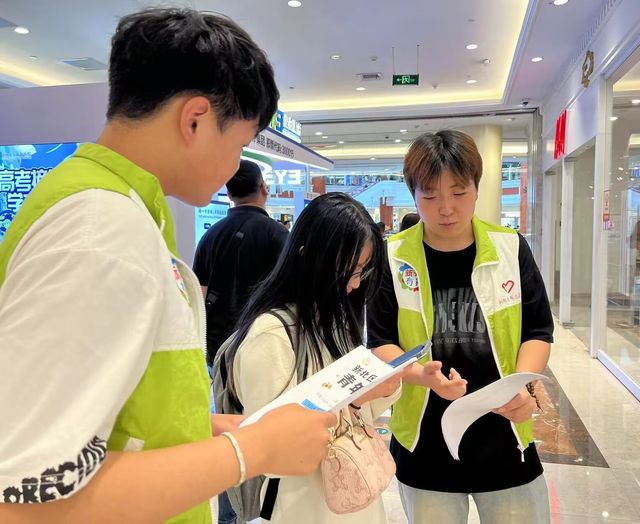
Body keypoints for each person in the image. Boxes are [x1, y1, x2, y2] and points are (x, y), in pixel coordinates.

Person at [0, 8, 335, 523]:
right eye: (239, 144)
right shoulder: (100, 232)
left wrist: (201, 429)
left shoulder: (114, 212)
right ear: (195, 119)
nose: (234, 167)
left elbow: (111, 424)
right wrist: (252, 452)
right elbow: (26, 498)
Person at [368, 130, 553, 524]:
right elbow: (380, 340)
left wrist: (522, 386)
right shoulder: (393, 256)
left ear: (476, 188)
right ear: (413, 195)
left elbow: (538, 330)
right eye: (430, 196)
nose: (446, 208)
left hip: (505, 433)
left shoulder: (510, 248)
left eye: (458, 192)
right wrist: (420, 375)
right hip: (425, 441)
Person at [226, 193, 402, 523]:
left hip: (353, 495)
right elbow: (273, 448)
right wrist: (355, 399)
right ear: (307, 257)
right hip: (303, 504)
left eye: (362, 271)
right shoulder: (270, 335)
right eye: (348, 271)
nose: (354, 284)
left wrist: (382, 387)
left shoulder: (334, 321)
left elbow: (358, 416)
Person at [193, 159, 288, 366]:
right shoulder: (277, 234)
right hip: (263, 340)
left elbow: (200, 294)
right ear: (264, 188)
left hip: (218, 345)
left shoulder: (210, 236)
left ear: (229, 194)